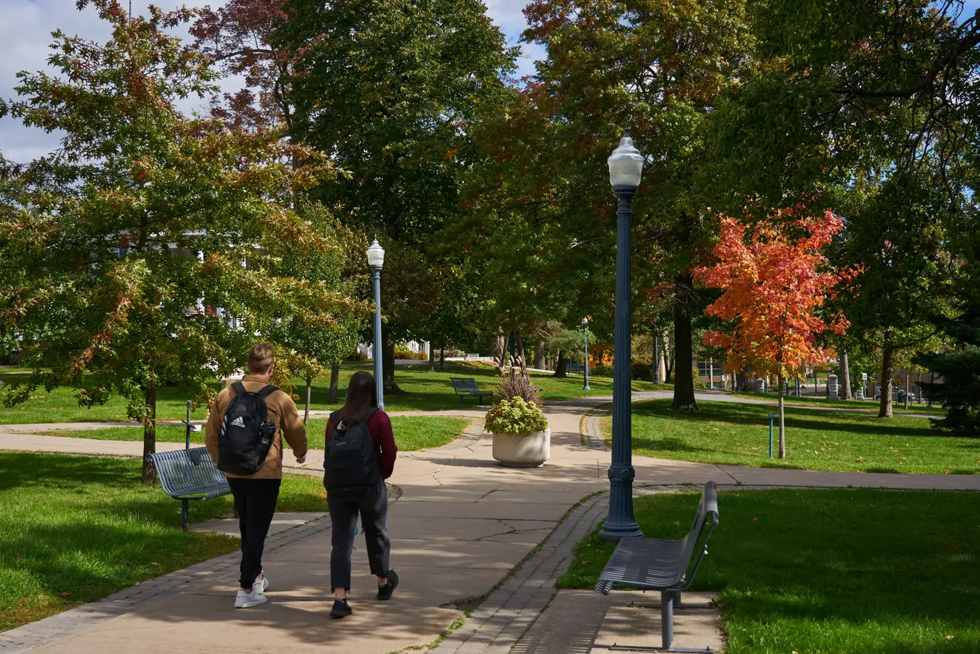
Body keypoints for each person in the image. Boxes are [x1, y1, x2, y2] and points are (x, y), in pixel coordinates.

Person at [206, 343, 308, 609]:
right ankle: (246, 588)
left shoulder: (226, 395)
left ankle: (257, 575)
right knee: (257, 530)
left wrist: (225, 462)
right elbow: (296, 431)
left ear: (248, 366)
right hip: (266, 472)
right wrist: (300, 452)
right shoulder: (279, 398)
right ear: (271, 369)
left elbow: (211, 436)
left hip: (235, 472)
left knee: (247, 526)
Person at [324, 370, 398, 618]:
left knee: (341, 541)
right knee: (376, 532)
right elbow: (389, 452)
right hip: (369, 488)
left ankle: (340, 598)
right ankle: (383, 583)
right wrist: (382, 475)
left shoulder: (334, 419)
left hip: (339, 488)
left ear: (351, 391)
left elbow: (328, 453)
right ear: (373, 391)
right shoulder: (379, 418)